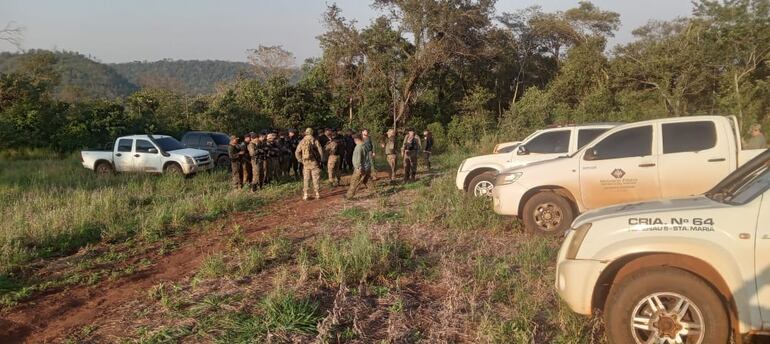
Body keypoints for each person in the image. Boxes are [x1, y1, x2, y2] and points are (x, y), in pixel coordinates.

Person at [295, 128, 324, 200]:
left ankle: (306, 194)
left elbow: (297, 152)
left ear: (306, 133)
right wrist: (321, 160)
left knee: (306, 178)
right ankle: (317, 193)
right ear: (312, 133)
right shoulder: (315, 140)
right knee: (316, 178)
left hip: (305, 163)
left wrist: (300, 160)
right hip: (314, 162)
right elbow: (320, 150)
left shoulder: (302, 141)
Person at [346, 133, 372, 200]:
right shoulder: (364, 145)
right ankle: (376, 192)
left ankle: (349, 196)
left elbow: (358, 159)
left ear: (356, 139)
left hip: (361, 168)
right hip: (367, 166)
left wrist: (358, 168)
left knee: (354, 182)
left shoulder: (358, 147)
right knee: (367, 181)